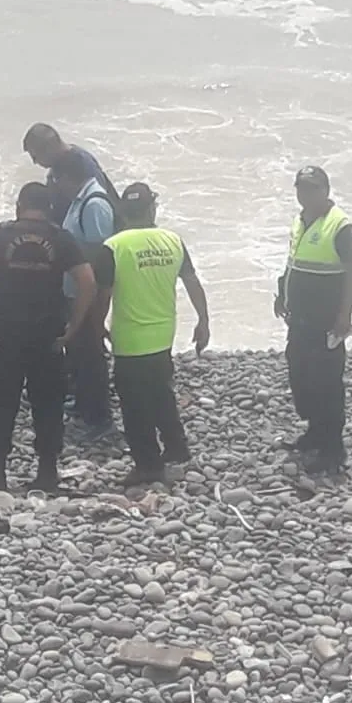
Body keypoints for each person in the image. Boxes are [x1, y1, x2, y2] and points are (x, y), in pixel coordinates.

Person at [0, 182, 97, 491]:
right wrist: (72, 328)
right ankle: (47, 472)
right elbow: (87, 283)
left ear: (19, 204)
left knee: (0, 402)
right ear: (49, 207)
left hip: (4, 331)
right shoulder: (61, 238)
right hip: (47, 332)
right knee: (48, 403)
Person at [95, 183, 210, 486]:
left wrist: (96, 327)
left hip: (130, 339)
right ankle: (176, 447)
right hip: (163, 336)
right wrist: (203, 321)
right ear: (152, 209)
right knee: (161, 392)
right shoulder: (172, 241)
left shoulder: (113, 247)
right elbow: (192, 282)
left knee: (134, 406)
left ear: (122, 211)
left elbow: (103, 295)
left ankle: (148, 465)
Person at [274, 166, 352, 474]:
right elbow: (293, 261)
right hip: (299, 318)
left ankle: (332, 446)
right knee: (300, 375)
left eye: (311, 188)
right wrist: (281, 293)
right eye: (300, 188)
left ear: (325, 189)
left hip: (326, 321)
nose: (305, 194)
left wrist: (344, 316)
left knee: (326, 382)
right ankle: (314, 431)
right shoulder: (300, 220)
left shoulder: (340, 226)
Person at [54, 148, 117, 436]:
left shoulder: (94, 204)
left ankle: (99, 418)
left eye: (57, 179)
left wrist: (91, 297)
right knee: (78, 349)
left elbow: (101, 255)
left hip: (86, 293)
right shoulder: (79, 200)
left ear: (68, 177)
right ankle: (82, 403)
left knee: (91, 352)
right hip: (75, 290)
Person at [22, 122, 122, 226]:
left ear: (49, 149)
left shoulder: (83, 165)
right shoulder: (56, 166)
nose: (35, 162)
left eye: (35, 157)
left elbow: (100, 206)